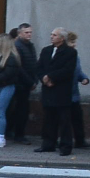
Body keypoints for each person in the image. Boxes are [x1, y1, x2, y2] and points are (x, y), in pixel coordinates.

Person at [36, 27, 79, 156]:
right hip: (47, 90)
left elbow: (68, 70)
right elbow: (39, 67)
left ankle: (65, 146)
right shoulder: (46, 51)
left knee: (64, 120)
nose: (51, 37)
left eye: (54, 35)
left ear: (62, 38)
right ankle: (48, 144)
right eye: (51, 35)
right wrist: (43, 78)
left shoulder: (70, 52)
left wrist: (51, 77)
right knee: (49, 119)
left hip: (61, 90)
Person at [8, 24, 38, 144]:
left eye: (30, 32)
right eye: (26, 32)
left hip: (28, 83)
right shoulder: (17, 46)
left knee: (22, 109)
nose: (29, 35)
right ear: (20, 34)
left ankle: (15, 132)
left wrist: (34, 80)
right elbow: (19, 67)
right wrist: (30, 82)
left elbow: (33, 64)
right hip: (20, 84)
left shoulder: (30, 46)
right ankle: (18, 134)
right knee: (20, 110)